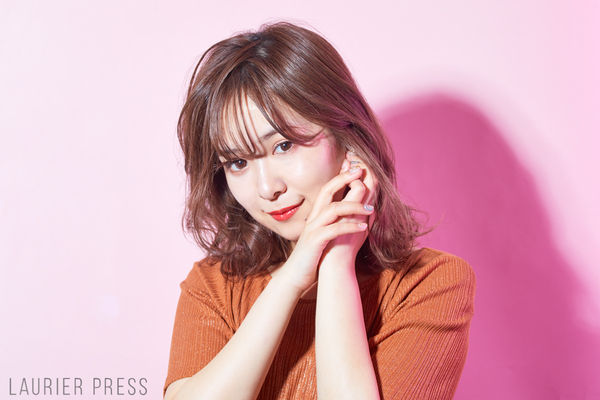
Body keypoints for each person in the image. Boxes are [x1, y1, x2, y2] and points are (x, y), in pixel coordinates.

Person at [164, 22, 476, 400]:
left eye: (284, 145)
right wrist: (292, 279)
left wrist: (336, 262)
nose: (267, 188)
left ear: (347, 138)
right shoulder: (215, 286)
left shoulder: (428, 285)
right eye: (237, 162)